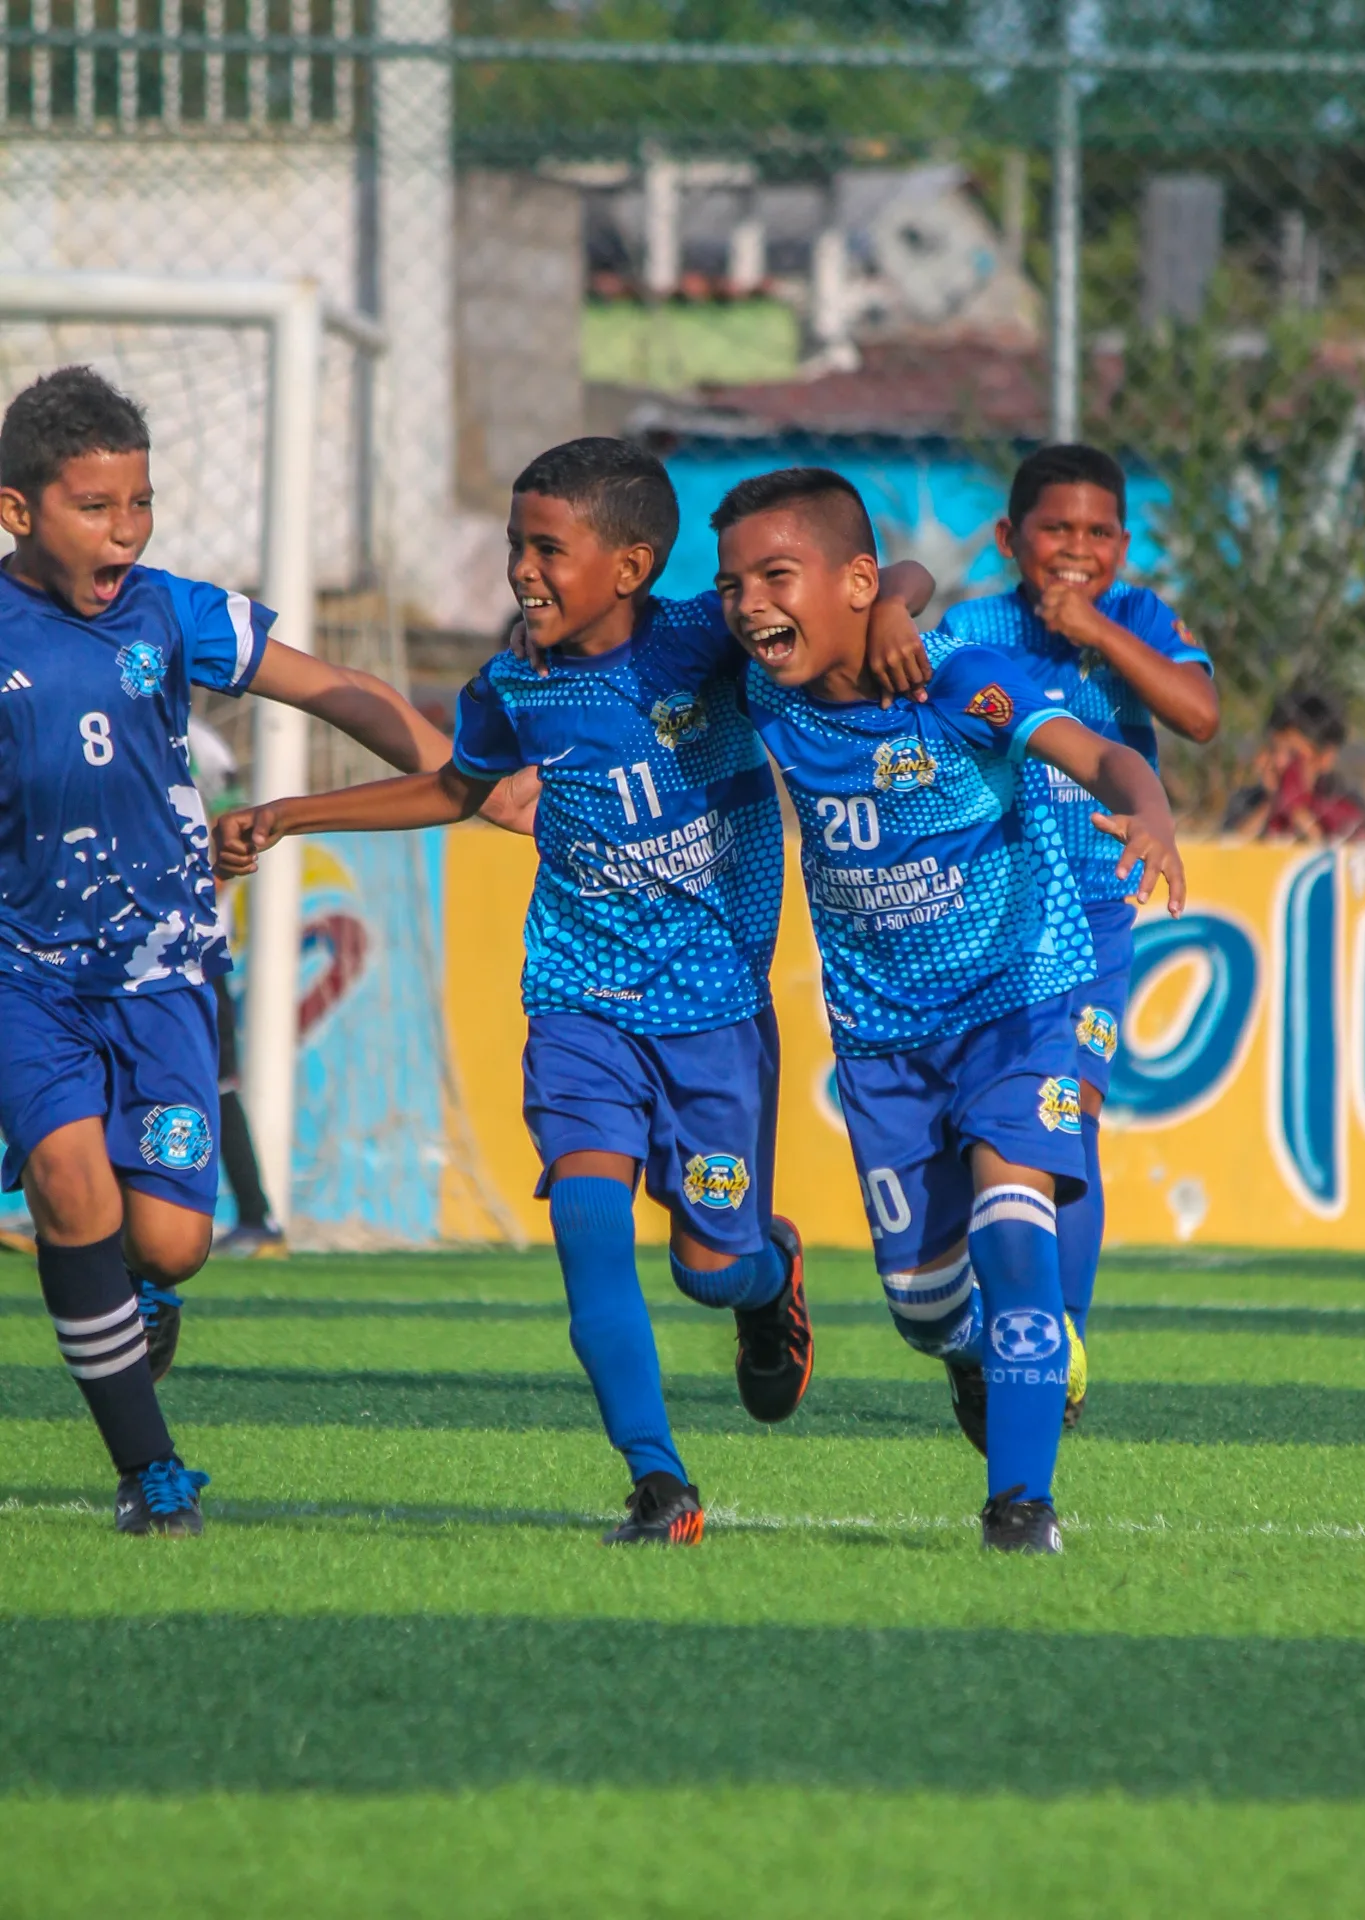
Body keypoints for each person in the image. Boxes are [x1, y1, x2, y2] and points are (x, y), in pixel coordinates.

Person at [216, 435, 935, 1546]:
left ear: (633, 565)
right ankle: (659, 1483)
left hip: (714, 1017)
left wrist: (897, 605)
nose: (522, 571)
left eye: (547, 549)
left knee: (710, 1267)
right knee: (590, 1222)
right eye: (515, 546)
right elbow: (459, 785)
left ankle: (768, 1275)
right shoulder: (514, 684)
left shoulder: (707, 638)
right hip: (578, 1002)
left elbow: (875, 583)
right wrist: (290, 814)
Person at [0, 364, 533, 1537]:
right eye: (96, 508)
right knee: (67, 1184)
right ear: (16, 511)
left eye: (140, 503)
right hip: (26, 976)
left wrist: (459, 775)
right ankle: (152, 1473)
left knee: (173, 1242)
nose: (126, 530)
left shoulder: (172, 610)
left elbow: (334, 686)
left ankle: (136, 1298)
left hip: (167, 973)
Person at [712, 466, 1185, 1552]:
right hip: (885, 1039)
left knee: (1016, 1229)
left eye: (774, 578)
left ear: (847, 581)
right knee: (925, 1311)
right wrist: (885, 595)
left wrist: (1148, 810)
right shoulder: (764, 689)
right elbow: (864, 581)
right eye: (734, 584)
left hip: (1027, 999)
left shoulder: (961, 682)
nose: (749, 604)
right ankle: (986, 1358)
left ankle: (1021, 1506)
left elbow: (1107, 754)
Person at [935, 444, 1217, 1418]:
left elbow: (1198, 713)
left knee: (1072, 1111)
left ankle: (1061, 1345)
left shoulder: (1137, 620)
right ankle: (988, 1322)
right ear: (1012, 538)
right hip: (987, 916)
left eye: (1099, 533)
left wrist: (1094, 624)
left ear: (1123, 546)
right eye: (1056, 529)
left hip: (1091, 915)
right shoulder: (971, 630)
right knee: (979, 1134)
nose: (1077, 547)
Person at [187, 715, 286, 1256]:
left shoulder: (198, 741)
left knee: (216, 1081)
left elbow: (234, 826)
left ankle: (255, 1215)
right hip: (91, 943)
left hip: (191, 947)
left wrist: (197, 902)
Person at [1221, 681, 1365, 843]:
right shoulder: (1248, 801)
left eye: (1293, 754)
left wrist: (1296, 808)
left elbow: (1332, 854)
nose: (1279, 762)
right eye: (1273, 749)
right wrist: (1272, 803)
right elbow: (1230, 850)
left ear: (1325, 758)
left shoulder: (1345, 801)